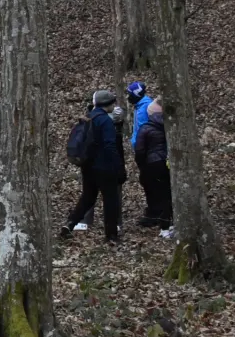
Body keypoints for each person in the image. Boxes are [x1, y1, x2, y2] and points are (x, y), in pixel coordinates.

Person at [62, 89, 125, 242]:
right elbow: (110, 146)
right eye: (112, 103)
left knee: (88, 198)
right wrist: (118, 167)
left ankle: (70, 223)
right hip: (104, 167)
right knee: (110, 200)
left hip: (87, 166)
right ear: (108, 105)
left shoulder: (89, 117)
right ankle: (111, 236)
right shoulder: (106, 121)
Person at [135, 100, 172, 233]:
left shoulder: (145, 129)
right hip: (166, 163)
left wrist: (141, 164)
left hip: (150, 164)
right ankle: (167, 219)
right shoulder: (169, 126)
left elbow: (139, 150)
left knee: (152, 190)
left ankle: (156, 218)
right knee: (166, 192)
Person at [126, 82, 152, 153]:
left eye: (129, 94)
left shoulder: (145, 107)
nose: (127, 97)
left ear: (136, 94)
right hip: (140, 146)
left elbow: (144, 131)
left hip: (145, 148)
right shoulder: (139, 106)